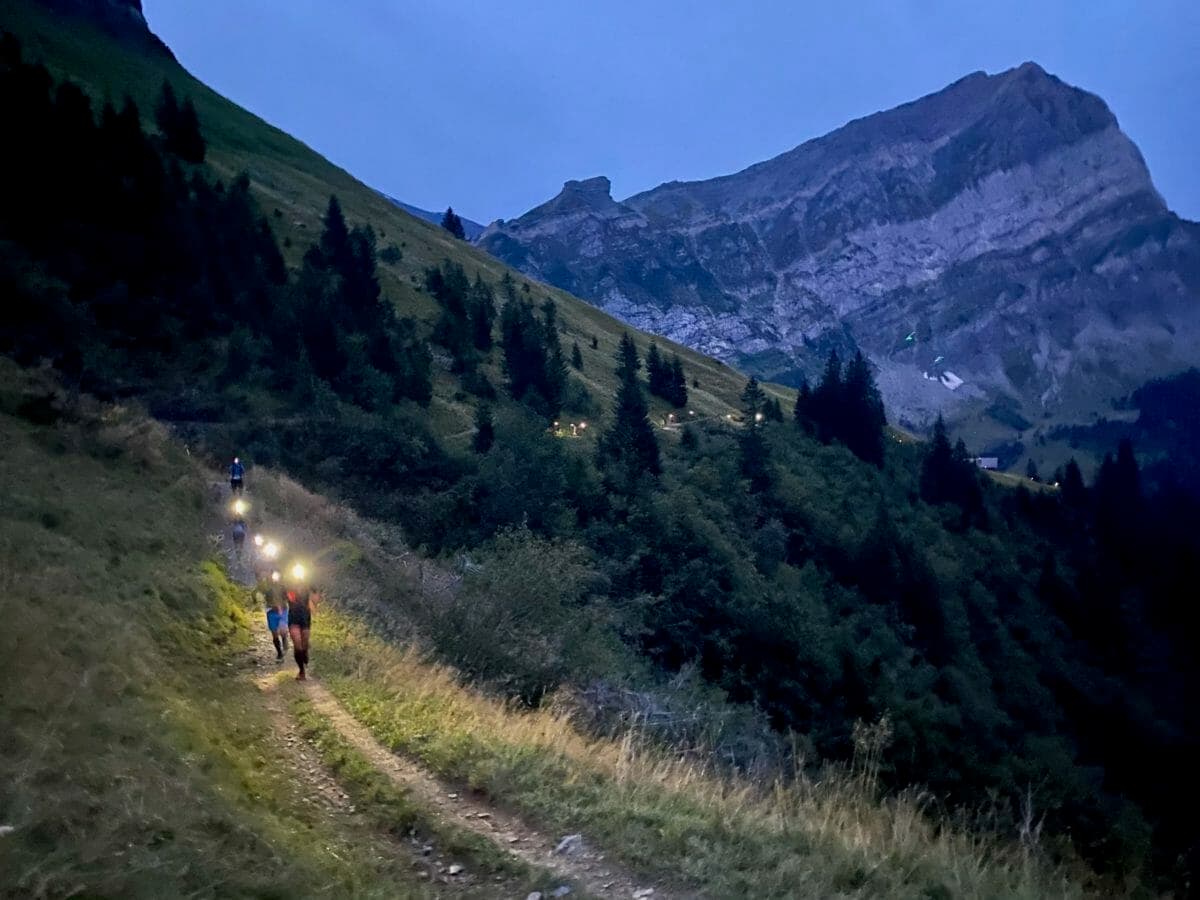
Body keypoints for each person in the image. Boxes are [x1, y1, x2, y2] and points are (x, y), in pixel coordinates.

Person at [287, 584, 317, 680]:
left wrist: (313, 604)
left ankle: (305, 653)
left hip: (305, 618)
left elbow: (315, 593)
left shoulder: (308, 584)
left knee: (304, 645)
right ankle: (301, 671)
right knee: (297, 644)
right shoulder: (288, 584)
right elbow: (287, 596)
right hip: (293, 619)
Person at [265, 572, 289, 661]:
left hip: (282, 610)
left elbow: (287, 597)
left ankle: (284, 639)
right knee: (274, 633)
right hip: (271, 612)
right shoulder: (267, 588)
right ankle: (279, 653)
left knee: (283, 629)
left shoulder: (284, 588)